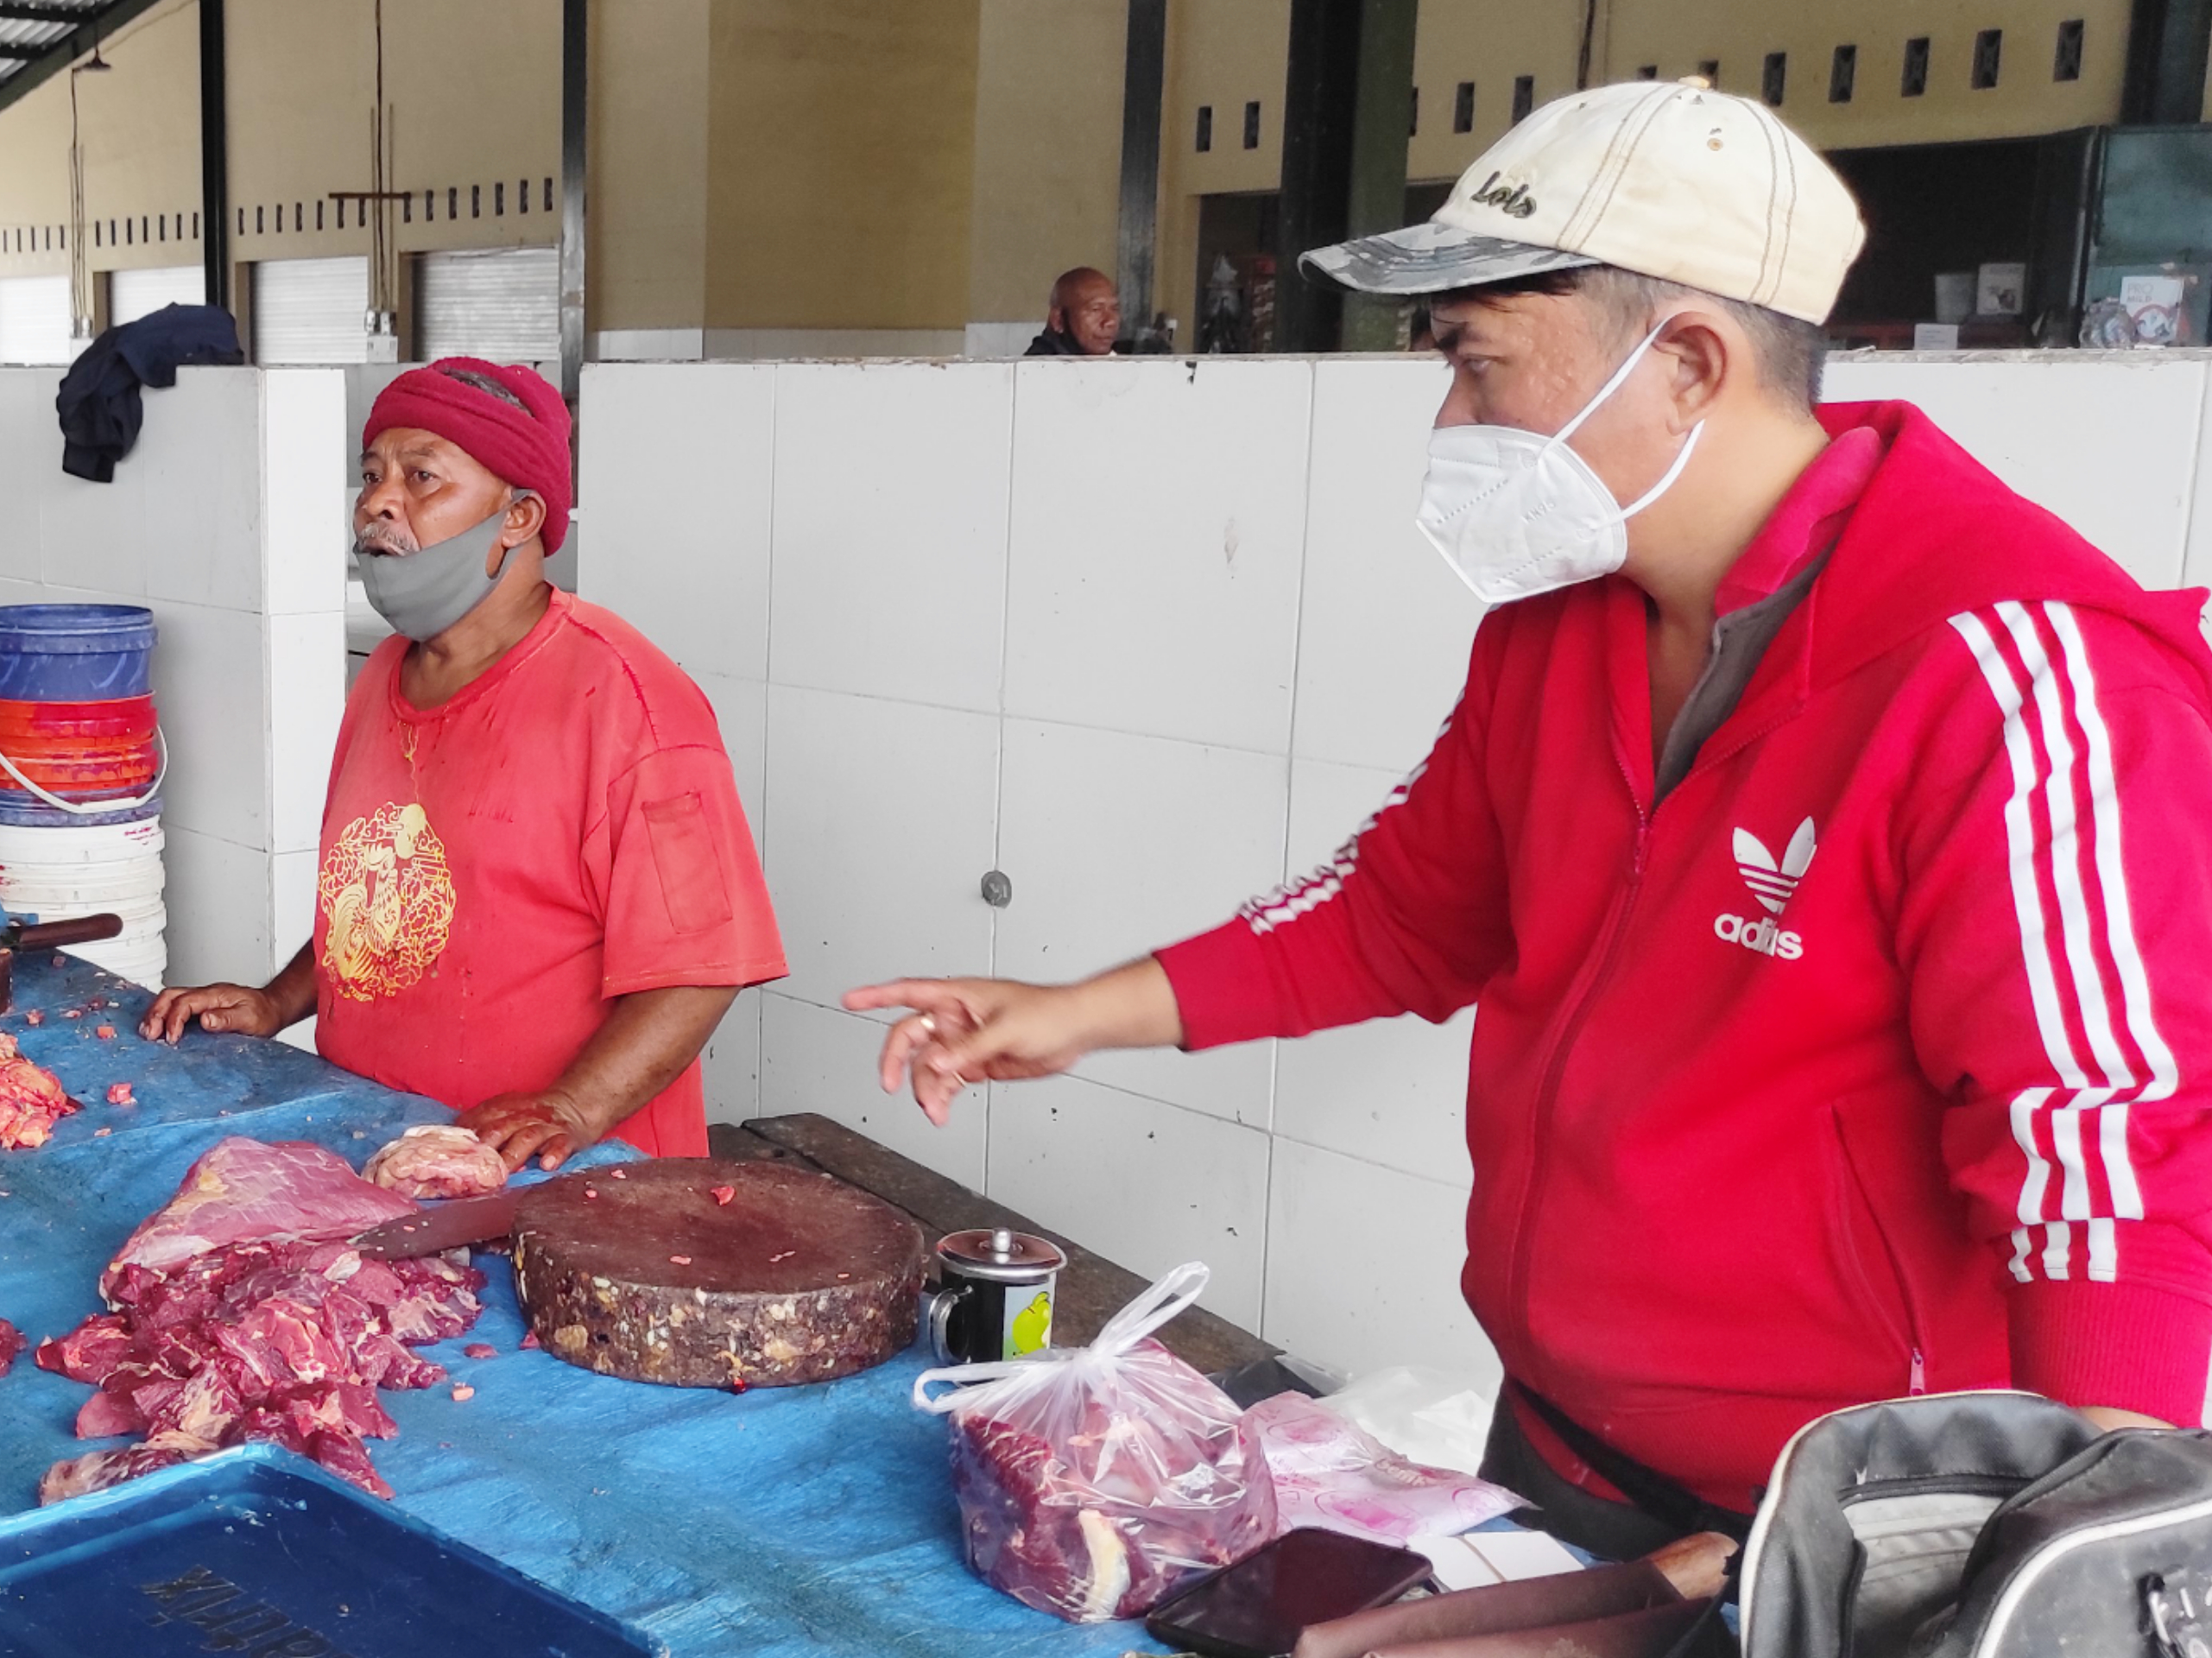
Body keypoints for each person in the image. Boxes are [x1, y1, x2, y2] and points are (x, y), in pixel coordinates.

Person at [849, 79, 2212, 1560]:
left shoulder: (2014, 678)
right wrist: (1074, 1014)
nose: (1452, 417)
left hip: (1853, 1535)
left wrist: (2072, 1563)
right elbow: (1401, 913)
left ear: (1685, 360)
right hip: (1557, 1444)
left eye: (1476, 360)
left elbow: (2110, 1172)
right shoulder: (1558, 631)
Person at [142, 358, 788, 1168]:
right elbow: (375, 900)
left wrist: (574, 1106)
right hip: (383, 1148)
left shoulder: (629, 702)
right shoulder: (385, 672)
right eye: (371, 475)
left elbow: (701, 967)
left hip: (568, 1179)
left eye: (421, 477)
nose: (378, 503)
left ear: (519, 516)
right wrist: (277, 1002)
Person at [1022, 267, 1122, 357]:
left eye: (1115, 309)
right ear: (1058, 321)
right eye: (1096, 310)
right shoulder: (1040, 367)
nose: (1110, 322)